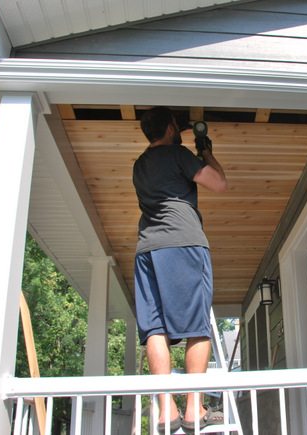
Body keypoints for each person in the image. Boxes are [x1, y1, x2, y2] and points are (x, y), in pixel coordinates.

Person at [133, 106, 227, 434]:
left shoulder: (140, 164)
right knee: (197, 326)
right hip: (184, 243)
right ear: (172, 127)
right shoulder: (177, 154)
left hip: (147, 247)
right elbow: (218, 184)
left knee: (155, 328)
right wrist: (206, 153)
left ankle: (165, 410)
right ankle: (192, 408)